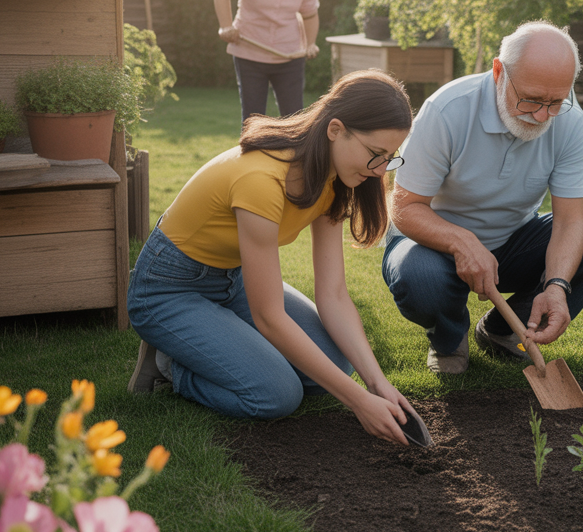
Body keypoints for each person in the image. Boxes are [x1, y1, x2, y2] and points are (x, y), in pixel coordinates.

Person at [128, 70, 420, 446]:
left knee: (336, 364)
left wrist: (377, 384)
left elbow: (333, 293)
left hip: (232, 280)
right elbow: (269, 317)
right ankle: (168, 364)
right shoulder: (262, 179)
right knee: (277, 394)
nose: (380, 170)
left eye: (389, 158)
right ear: (336, 130)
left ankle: (216, 338)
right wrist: (359, 402)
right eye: (375, 154)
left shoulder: (334, 178)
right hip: (168, 289)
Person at [381, 21, 583, 375]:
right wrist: (461, 241)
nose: (542, 116)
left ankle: (502, 330)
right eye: (531, 99)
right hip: (431, 246)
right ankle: (449, 339)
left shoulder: (572, 123)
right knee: (419, 276)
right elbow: (404, 208)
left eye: (555, 102)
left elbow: (569, 222)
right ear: (499, 72)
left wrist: (557, 286)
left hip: (512, 244)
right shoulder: (447, 110)